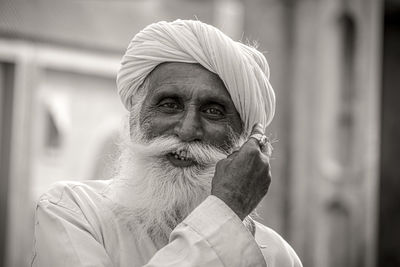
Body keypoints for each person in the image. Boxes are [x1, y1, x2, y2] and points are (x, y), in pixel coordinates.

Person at [31, 20, 302, 267]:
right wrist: (225, 211)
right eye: (169, 105)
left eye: (213, 111)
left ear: (247, 140)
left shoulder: (278, 257)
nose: (187, 130)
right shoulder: (72, 211)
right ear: (134, 120)